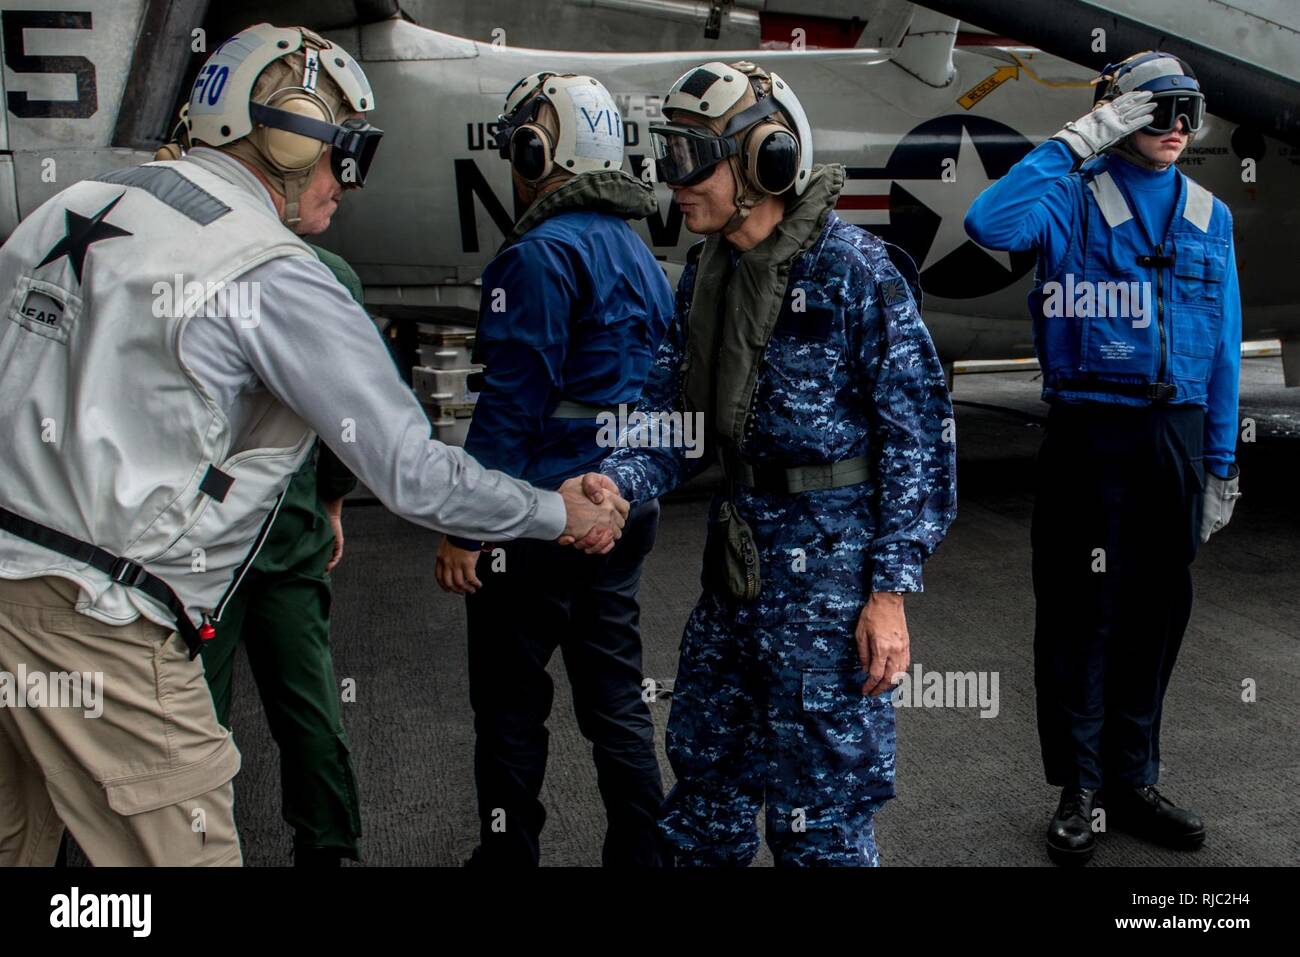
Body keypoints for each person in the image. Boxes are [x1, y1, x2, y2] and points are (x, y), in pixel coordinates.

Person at [0, 23, 624, 867]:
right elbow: (410, 472)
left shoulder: (69, 206)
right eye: (346, 152)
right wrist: (556, 510)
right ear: (289, 134)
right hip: (101, 617)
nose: (349, 183)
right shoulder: (269, 268)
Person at [593, 61, 957, 866]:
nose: (672, 180)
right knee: (705, 791)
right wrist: (617, 480)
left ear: (767, 162)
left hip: (830, 590)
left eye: (692, 157)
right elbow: (676, 415)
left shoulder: (854, 272)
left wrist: (890, 593)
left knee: (819, 821)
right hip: (737, 574)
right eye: (667, 156)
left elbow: (920, 442)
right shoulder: (707, 272)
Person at [965, 51, 1241, 866]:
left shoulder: (1208, 215)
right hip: (1091, 436)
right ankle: (1078, 789)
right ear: (1120, 113)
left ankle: (1133, 780)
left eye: (1189, 111)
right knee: (1080, 618)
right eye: (1158, 111)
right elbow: (990, 224)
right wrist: (1080, 139)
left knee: (1155, 621)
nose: (1179, 128)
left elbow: (1223, 347)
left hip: (1175, 439)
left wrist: (1221, 460)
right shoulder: (1072, 199)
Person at [434, 73, 674, 867]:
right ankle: (642, 852)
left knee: (509, 705)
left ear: (540, 150)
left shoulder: (537, 256)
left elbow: (511, 403)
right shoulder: (640, 255)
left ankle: (508, 858)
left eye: (519, 141)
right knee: (614, 700)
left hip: (534, 517)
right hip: (620, 512)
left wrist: (464, 527)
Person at [201, 244, 367, 868]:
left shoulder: (173, 257)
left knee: (194, 711)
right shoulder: (330, 272)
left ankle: (192, 845)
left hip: (194, 540)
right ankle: (325, 848)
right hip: (286, 524)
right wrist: (330, 503)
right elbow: (350, 415)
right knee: (308, 704)